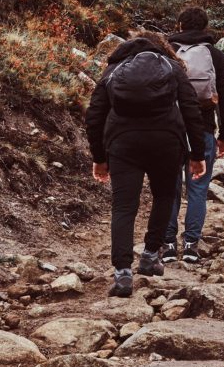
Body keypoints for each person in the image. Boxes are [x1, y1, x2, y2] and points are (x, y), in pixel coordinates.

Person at [86, 33, 207, 297]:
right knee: (164, 196)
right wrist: (198, 154)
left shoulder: (114, 69)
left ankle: (122, 273)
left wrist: (99, 157)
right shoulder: (172, 68)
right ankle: (151, 255)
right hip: (167, 141)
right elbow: (191, 110)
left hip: (123, 143)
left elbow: (94, 114)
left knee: (124, 206)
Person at [163, 7, 224, 264]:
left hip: (169, 130)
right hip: (203, 129)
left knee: (168, 188)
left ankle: (168, 244)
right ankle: (191, 245)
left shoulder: (166, 51)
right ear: (205, 27)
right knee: (198, 189)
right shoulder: (215, 55)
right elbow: (223, 97)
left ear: (180, 25)